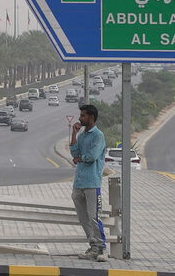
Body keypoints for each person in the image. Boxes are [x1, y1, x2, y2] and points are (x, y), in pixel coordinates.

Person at [69, 103, 107, 261]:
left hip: (92, 182)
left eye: (83, 115)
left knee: (94, 216)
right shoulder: (83, 135)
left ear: (91, 117)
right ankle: (93, 246)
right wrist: (74, 134)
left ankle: (100, 247)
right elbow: (74, 151)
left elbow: (92, 156)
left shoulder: (98, 136)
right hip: (79, 183)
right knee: (83, 217)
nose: (80, 118)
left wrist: (80, 159)